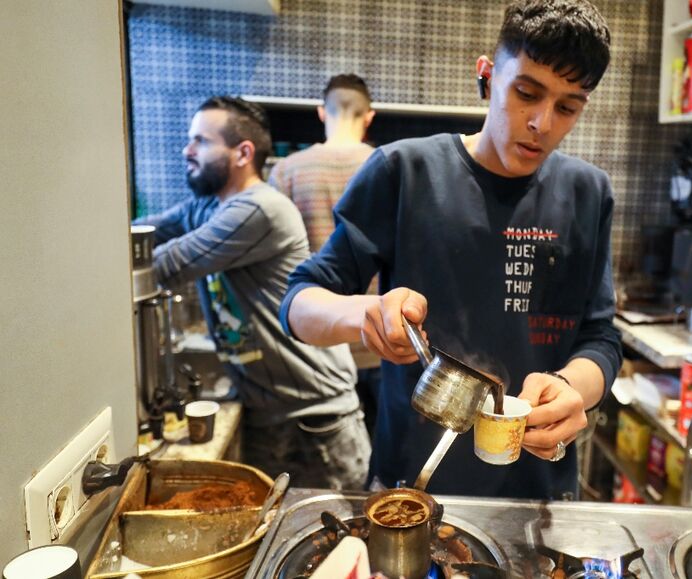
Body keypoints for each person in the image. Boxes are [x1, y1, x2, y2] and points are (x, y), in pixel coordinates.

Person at [281, 0, 621, 500]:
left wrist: (574, 388)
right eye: (526, 93)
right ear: (486, 75)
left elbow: (601, 338)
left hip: (539, 492)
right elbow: (298, 303)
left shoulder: (588, 192)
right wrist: (366, 313)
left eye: (567, 107)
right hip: (411, 488)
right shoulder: (404, 172)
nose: (542, 124)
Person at [136, 96, 370, 489]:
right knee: (273, 534)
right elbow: (143, 237)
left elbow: (166, 266)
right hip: (268, 411)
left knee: (335, 540)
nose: (186, 150)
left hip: (315, 419)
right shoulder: (208, 207)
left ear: (243, 152)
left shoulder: (260, 208)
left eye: (201, 141)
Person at [269, 74, 381, 436]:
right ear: (369, 117)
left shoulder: (287, 170)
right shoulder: (386, 166)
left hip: (317, 342)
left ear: (321, 112)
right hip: (380, 342)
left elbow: (277, 258)